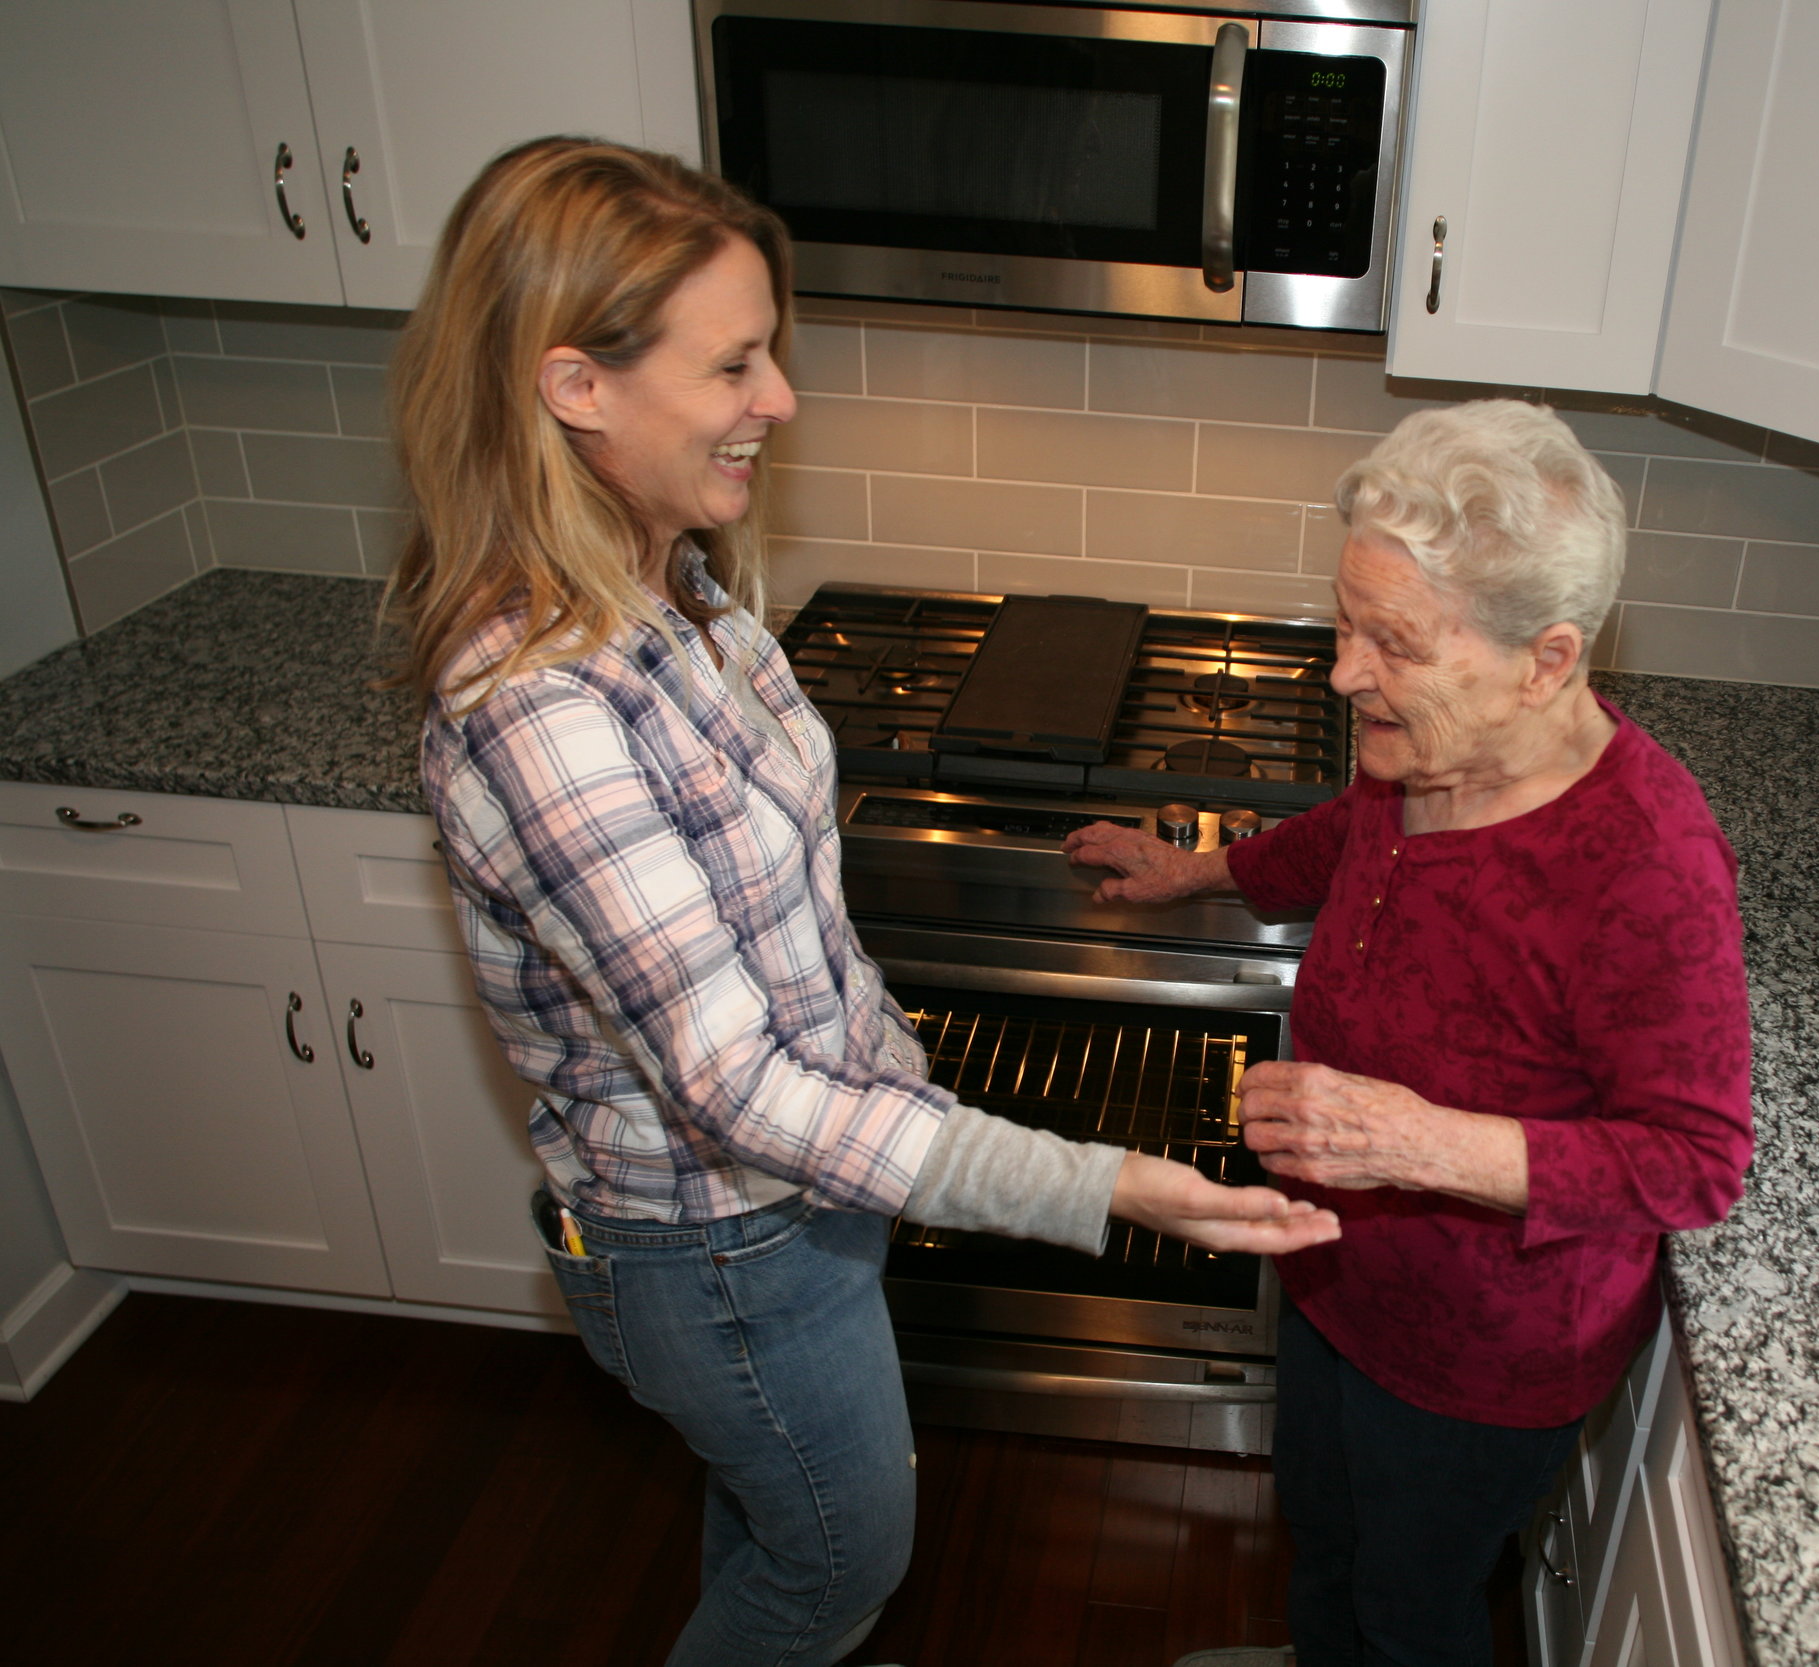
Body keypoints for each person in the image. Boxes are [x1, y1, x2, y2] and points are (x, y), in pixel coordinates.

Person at [386, 137, 1340, 1667]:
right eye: (737, 363)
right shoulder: (540, 711)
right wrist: (1110, 1183)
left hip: (795, 1211)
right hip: (719, 1244)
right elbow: (735, 1088)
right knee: (841, 1556)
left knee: (780, 1510)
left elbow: (777, 946)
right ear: (578, 388)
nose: (779, 400)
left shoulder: (666, 580)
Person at [1065, 400, 1754, 1667]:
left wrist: (1421, 1140)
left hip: (1481, 1348)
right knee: (1318, 1538)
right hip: (1331, 1266)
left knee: (1412, 1608)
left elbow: (1691, 1161)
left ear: (1545, 662)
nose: (1343, 673)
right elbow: (1344, 840)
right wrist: (1197, 872)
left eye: (1392, 641)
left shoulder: (1646, 862)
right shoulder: (1419, 748)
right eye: (1344, 621)